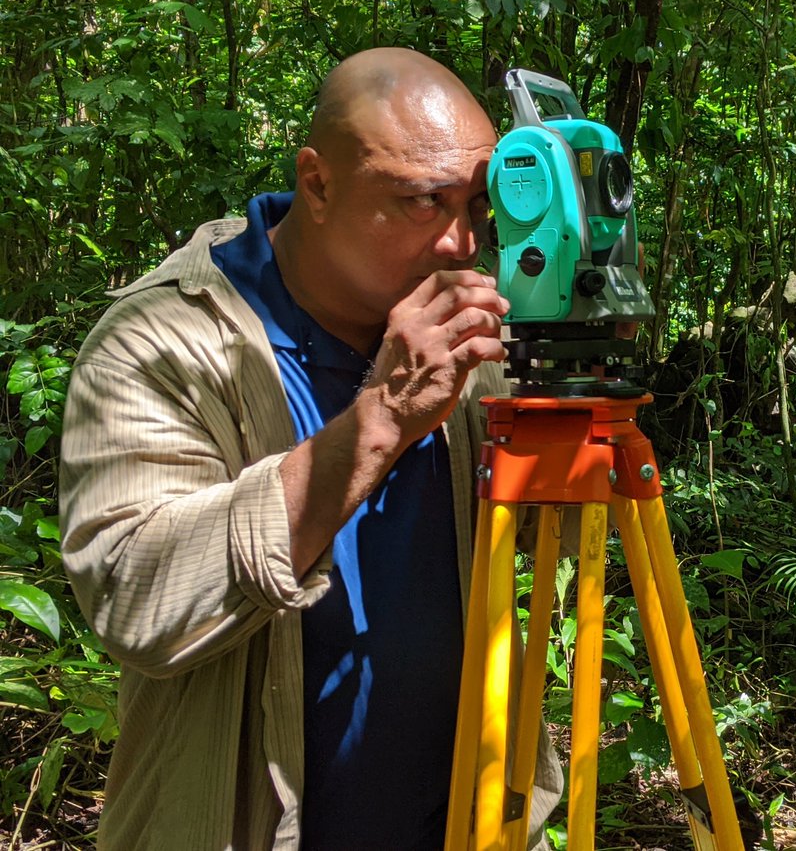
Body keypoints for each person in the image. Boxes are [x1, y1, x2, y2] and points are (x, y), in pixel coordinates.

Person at [59, 47, 562, 850]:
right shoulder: (164, 342)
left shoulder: (464, 340)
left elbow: (529, 537)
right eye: (422, 201)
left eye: (476, 205)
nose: (461, 243)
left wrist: (576, 411)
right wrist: (383, 420)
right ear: (317, 183)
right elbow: (136, 597)